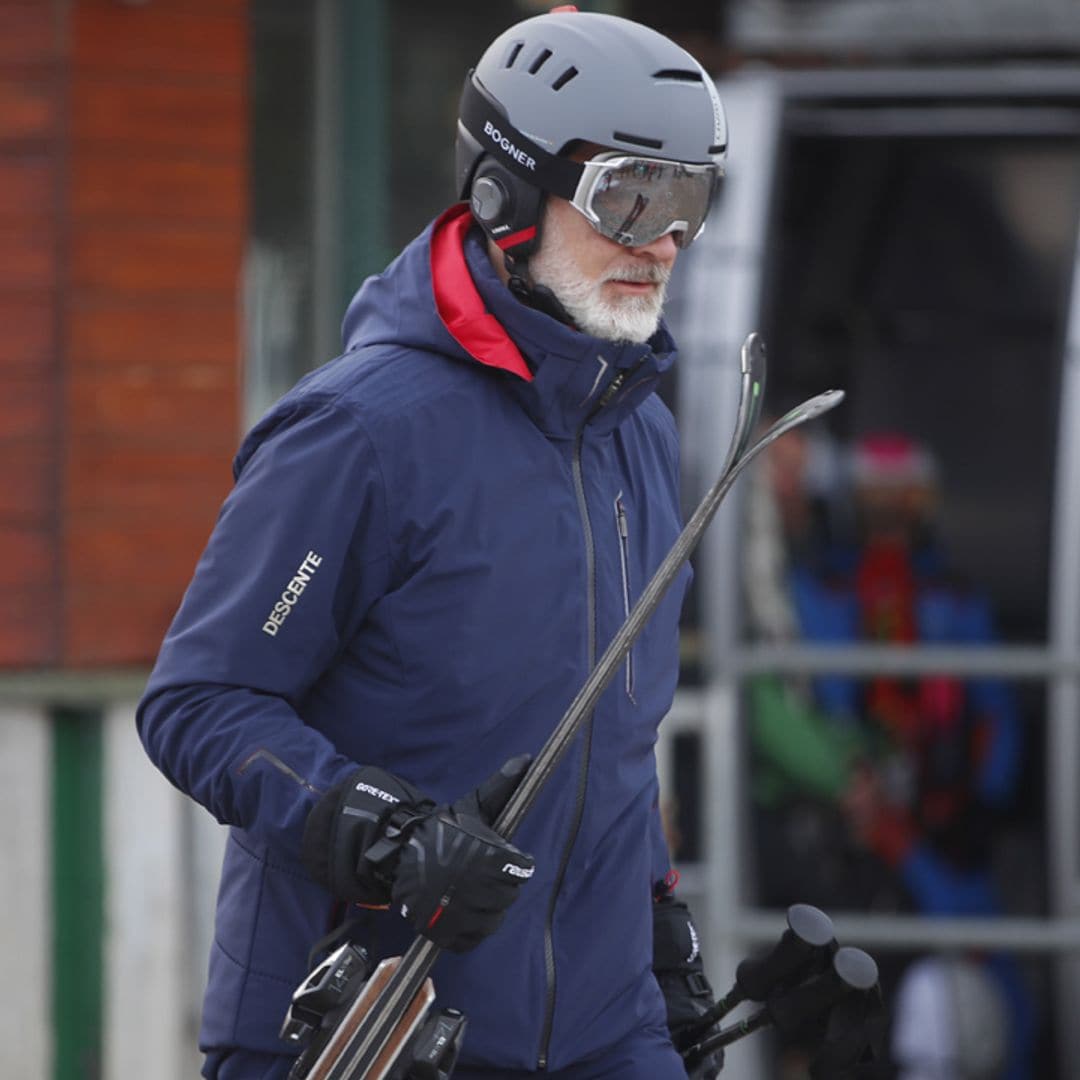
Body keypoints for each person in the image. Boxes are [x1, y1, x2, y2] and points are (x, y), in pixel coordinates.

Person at [137, 9, 730, 1079]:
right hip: (373, 1030)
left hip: (600, 1036)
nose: (665, 238)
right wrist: (378, 828)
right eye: (630, 195)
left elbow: (612, 738)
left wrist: (654, 932)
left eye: (692, 197)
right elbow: (199, 704)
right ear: (507, 194)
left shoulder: (636, 428)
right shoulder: (362, 431)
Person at [743, 431, 1035, 1078]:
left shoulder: (954, 598)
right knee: (864, 968)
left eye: (900, 493)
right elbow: (820, 686)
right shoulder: (824, 587)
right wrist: (858, 772)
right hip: (864, 813)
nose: (887, 507)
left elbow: (994, 708)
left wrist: (982, 801)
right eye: (875, 492)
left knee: (984, 953)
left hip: (941, 815)